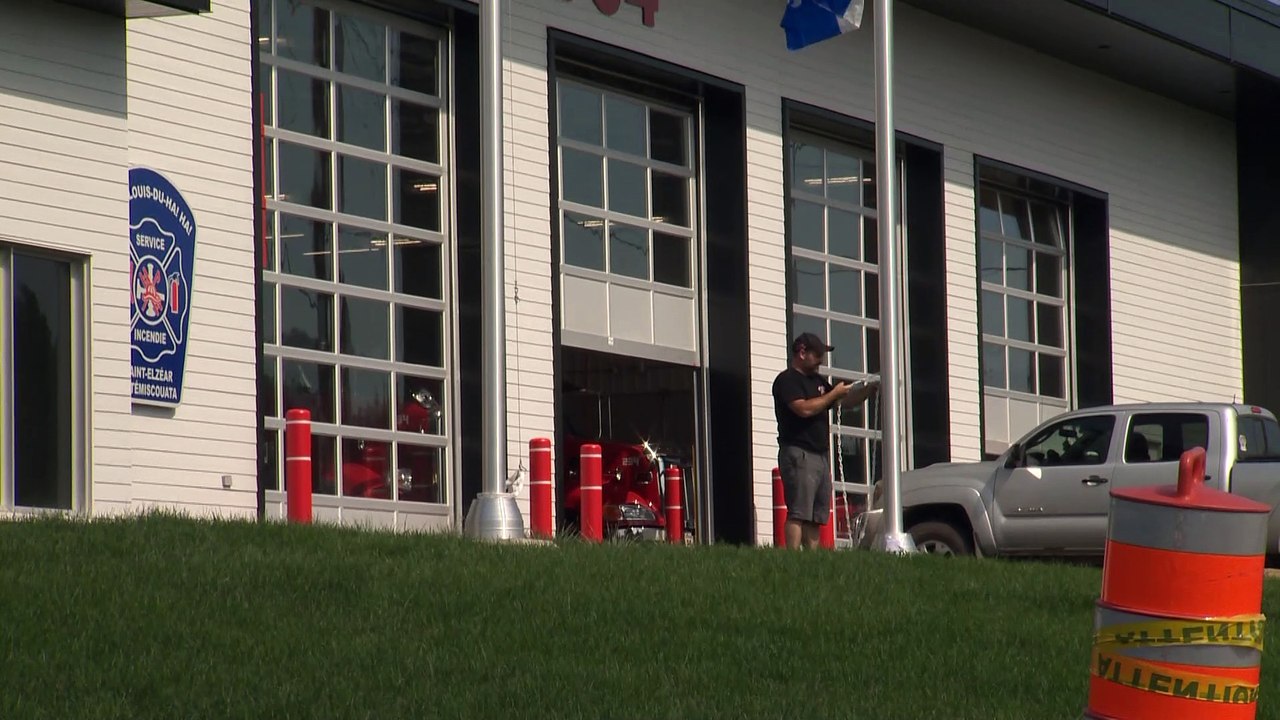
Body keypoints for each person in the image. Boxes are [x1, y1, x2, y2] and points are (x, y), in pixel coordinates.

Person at [773, 332, 880, 550]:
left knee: (816, 515)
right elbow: (803, 409)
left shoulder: (818, 381)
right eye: (817, 354)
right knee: (799, 512)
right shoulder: (787, 380)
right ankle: (791, 558)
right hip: (798, 453)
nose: (821, 359)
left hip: (820, 455)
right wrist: (833, 395)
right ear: (802, 352)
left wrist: (871, 387)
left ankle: (812, 560)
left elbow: (846, 401)